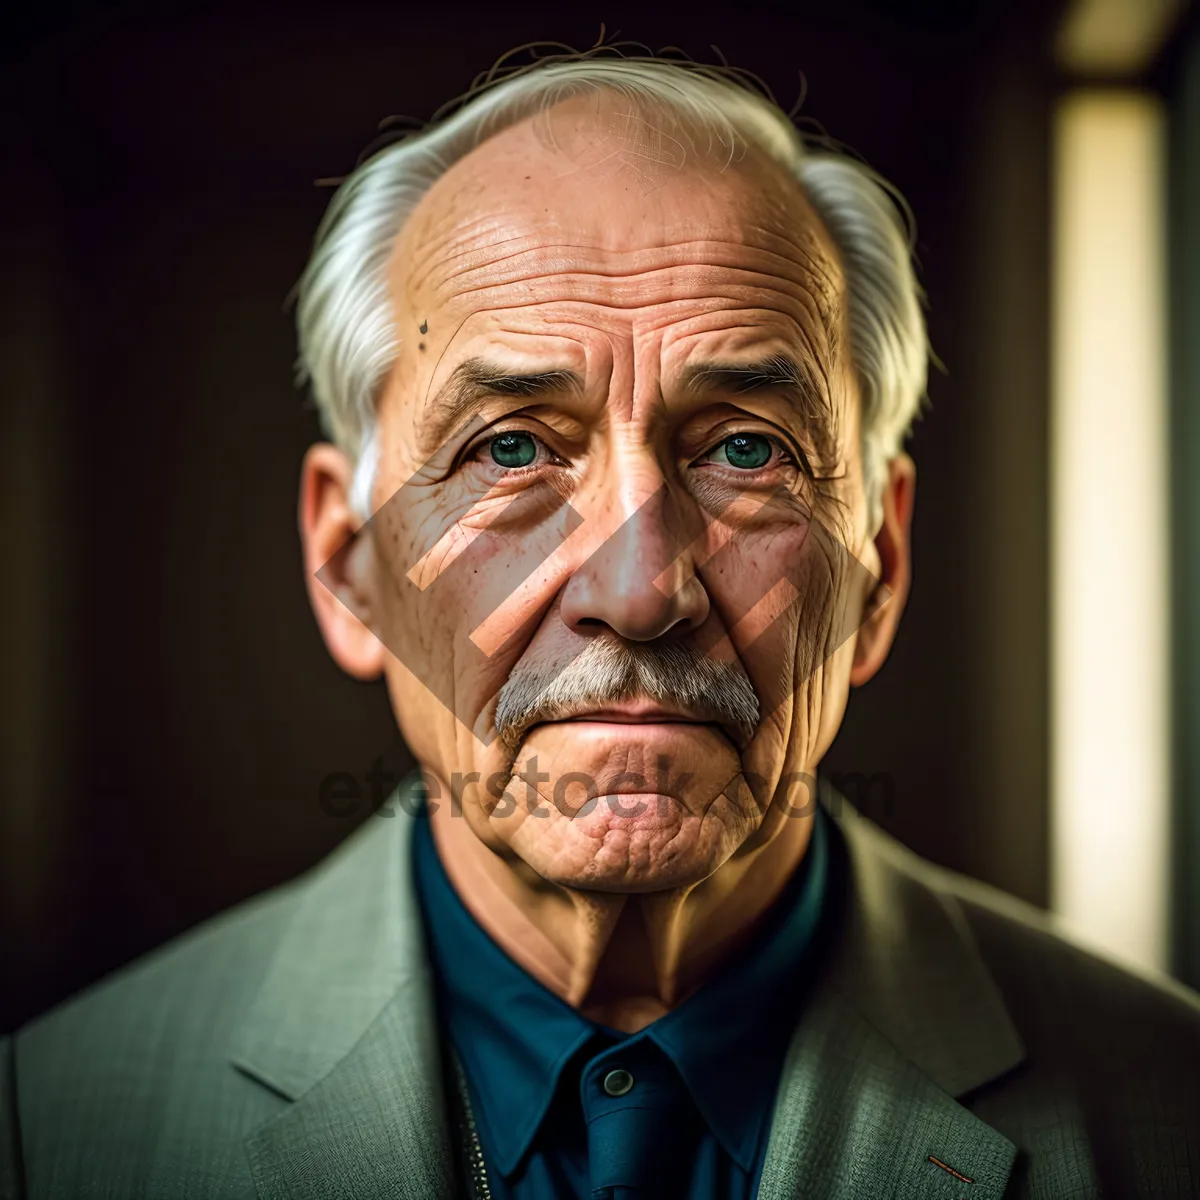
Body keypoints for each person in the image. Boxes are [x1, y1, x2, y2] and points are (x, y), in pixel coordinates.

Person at [4, 49, 1199, 1200]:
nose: (637, 591)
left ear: (878, 569)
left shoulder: (1168, 1110)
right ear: (347, 566)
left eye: (746, 450)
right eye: (511, 450)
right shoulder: (42, 1128)